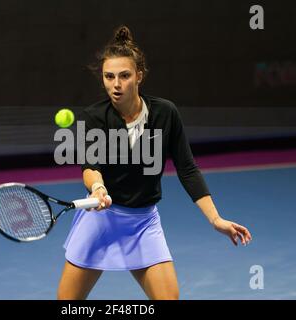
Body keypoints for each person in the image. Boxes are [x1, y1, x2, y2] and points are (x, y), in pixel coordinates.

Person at [57, 25, 252, 300]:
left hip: (143, 224)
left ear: (139, 75)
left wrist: (215, 218)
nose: (116, 84)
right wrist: (98, 188)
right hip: (102, 221)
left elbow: (187, 168)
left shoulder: (165, 114)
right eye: (108, 76)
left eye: (124, 76)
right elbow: (90, 166)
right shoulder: (94, 117)